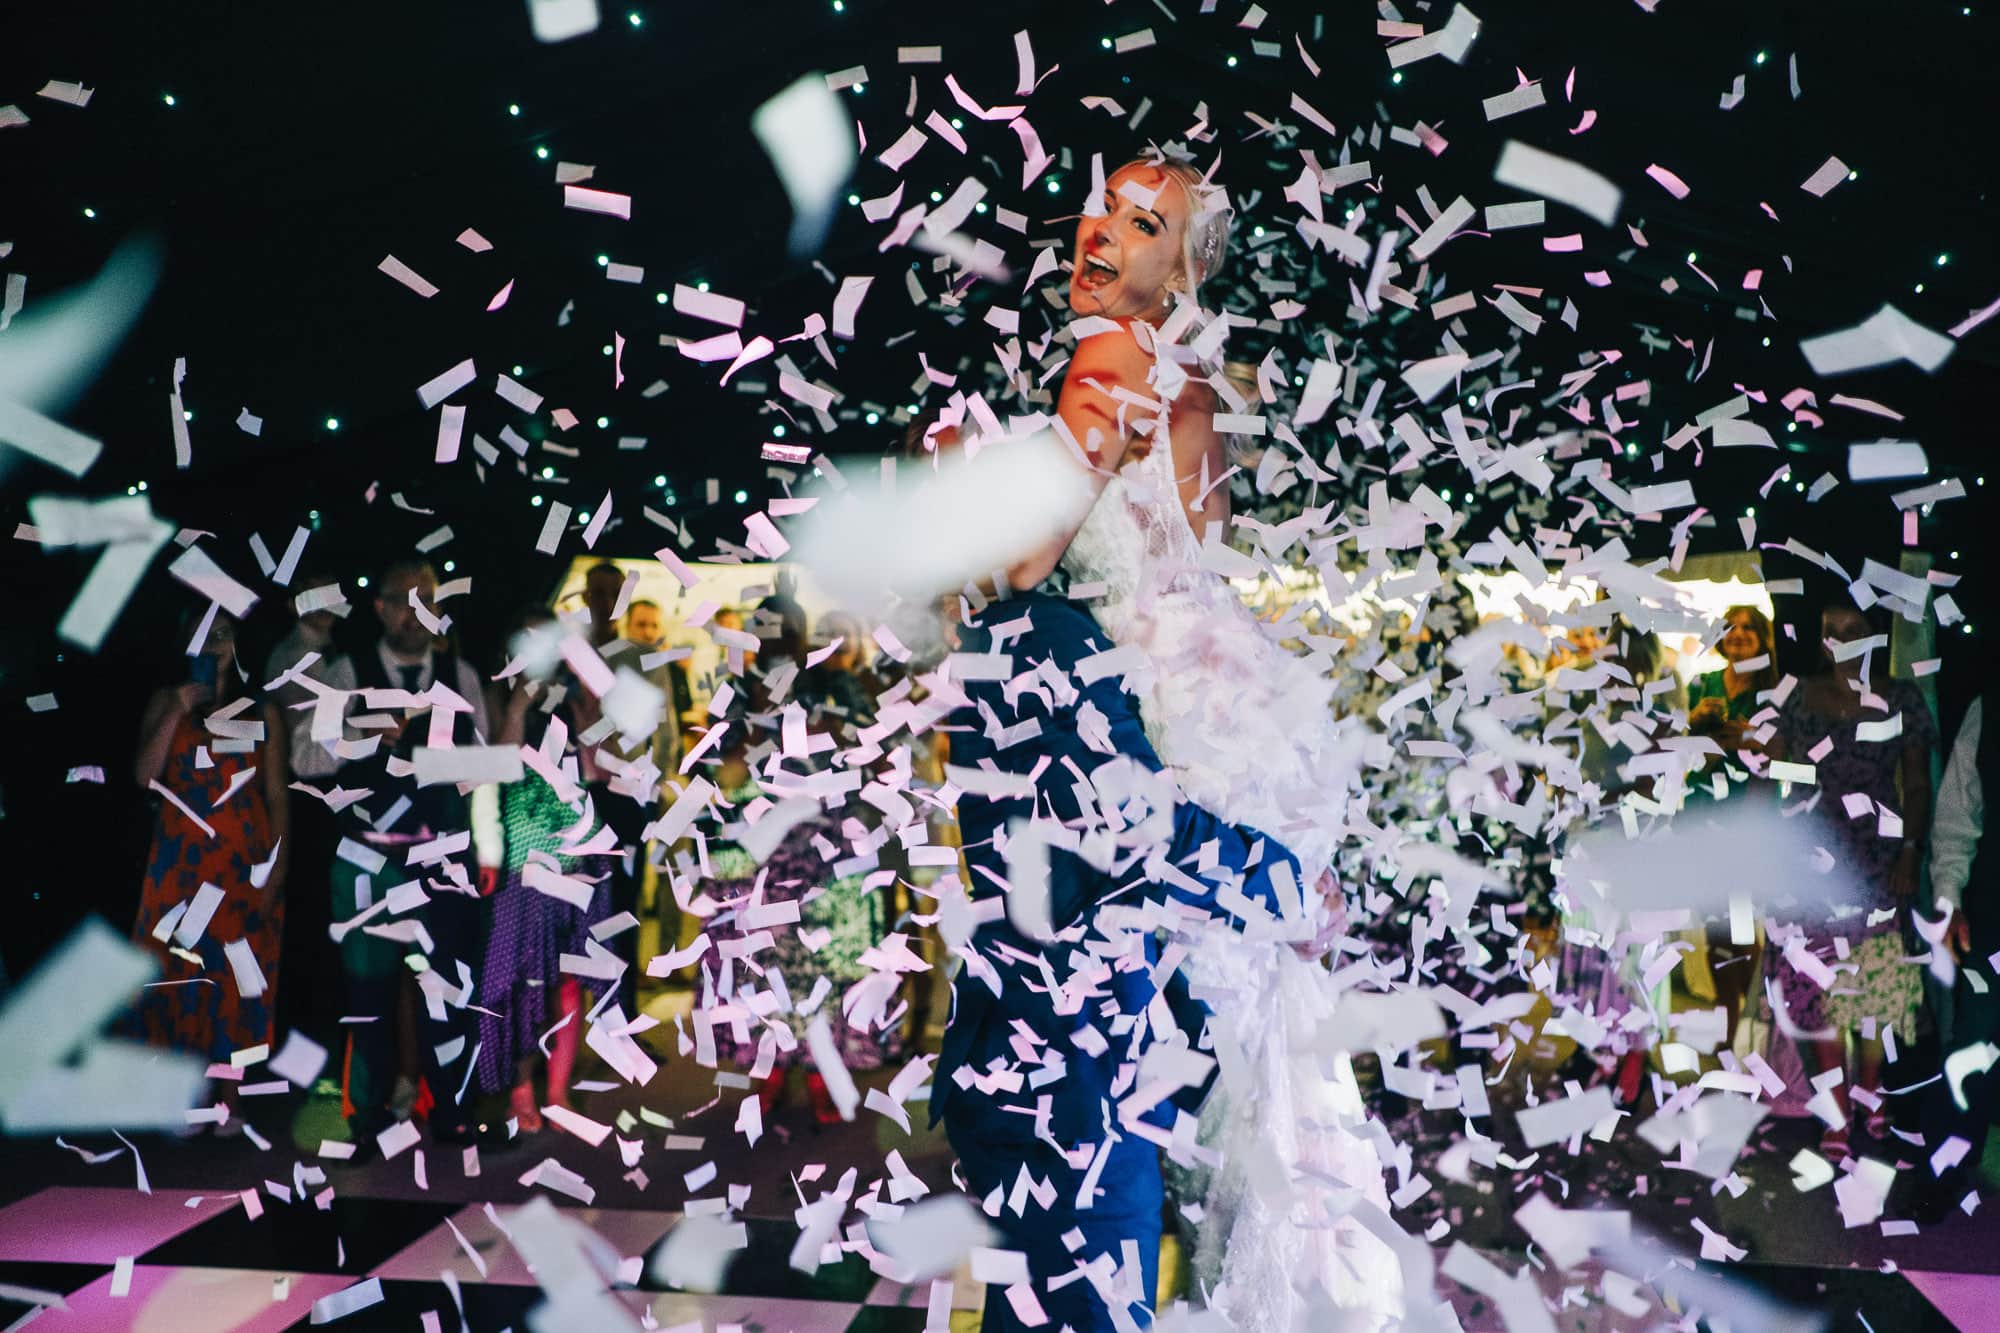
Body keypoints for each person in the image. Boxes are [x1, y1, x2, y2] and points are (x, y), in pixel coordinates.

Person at [999, 150, 1397, 1328]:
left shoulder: (1109, 357)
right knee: (1242, 1055)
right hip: (1227, 712)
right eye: (1099, 208)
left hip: (1151, 729)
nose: (1100, 233)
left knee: (1114, 1061)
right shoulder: (1192, 381)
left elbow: (1018, 564)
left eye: (1141, 223)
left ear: (1176, 267)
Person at [936, 591, 1341, 1332]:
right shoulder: (1043, 634)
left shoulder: (1032, 627)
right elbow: (1144, 830)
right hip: (1068, 1067)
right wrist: (1292, 896)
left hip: (1074, 1051)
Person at [291, 558, 497, 1150]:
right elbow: (304, 759)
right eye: (404, 599)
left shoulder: (462, 674)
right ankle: (366, 1114)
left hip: (442, 860)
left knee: (449, 991)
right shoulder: (342, 673)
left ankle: (450, 1110)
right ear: (379, 607)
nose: (417, 610)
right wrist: (361, 734)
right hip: (366, 857)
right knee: (368, 996)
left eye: (427, 598)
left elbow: (483, 771)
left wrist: (487, 849)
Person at [1768, 598, 1938, 1158]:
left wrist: (1911, 852)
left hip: (1877, 856)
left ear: (1873, 637)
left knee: (1874, 982)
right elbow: (1778, 774)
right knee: (1816, 985)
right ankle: (1836, 1106)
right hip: (1811, 856)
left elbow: (1916, 784)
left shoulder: (1900, 697)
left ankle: (1869, 1088)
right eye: (1831, 629)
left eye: (1854, 629)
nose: (1842, 638)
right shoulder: (1798, 695)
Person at [128, 609, 290, 1102]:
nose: (214, 644)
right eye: (203, 635)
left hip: (241, 863)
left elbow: (278, 796)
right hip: (181, 866)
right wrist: (177, 708)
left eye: (223, 635)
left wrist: (277, 869)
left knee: (235, 978)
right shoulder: (165, 700)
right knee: (179, 975)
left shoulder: (262, 710)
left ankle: (229, 1099)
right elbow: (143, 778)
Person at [470, 608, 612, 1131]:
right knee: (523, 984)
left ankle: (558, 1093)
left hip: (574, 859)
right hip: (523, 867)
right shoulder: (496, 694)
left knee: (569, 982)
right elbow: (494, 770)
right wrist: (516, 706)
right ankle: (522, 1090)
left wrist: (586, 717)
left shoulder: (577, 695)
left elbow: (597, 773)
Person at [261, 577, 346, 1076]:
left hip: (329, 801)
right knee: (310, 929)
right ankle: (301, 1056)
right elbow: (317, 740)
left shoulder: (329, 652)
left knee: (323, 929)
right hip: (309, 801)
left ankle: (313, 1052)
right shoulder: (292, 654)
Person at [1915, 695, 1994, 1213]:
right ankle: (1944, 1167)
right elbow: (1957, 814)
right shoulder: (1990, 709)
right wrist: (1949, 899)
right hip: (1996, 904)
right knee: (1978, 1035)